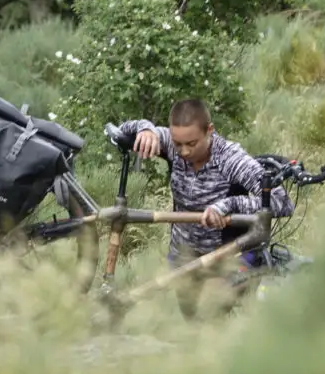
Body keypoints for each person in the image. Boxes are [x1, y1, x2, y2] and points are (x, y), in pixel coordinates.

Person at [116, 98, 295, 275]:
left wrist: (228, 205)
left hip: (226, 261)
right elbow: (119, 131)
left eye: (192, 144)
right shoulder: (171, 144)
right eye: (178, 144)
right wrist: (146, 129)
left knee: (214, 302)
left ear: (209, 130)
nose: (184, 151)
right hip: (182, 259)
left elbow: (282, 202)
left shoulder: (229, 158)